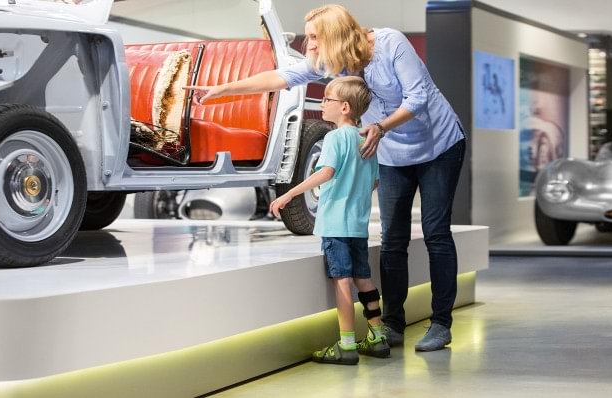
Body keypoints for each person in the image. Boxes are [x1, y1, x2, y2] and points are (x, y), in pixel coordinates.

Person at [186, 4, 466, 352]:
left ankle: (441, 323)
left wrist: (380, 126)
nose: (311, 45)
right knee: (393, 239)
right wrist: (223, 90)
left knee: (436, 231)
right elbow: (280, 77)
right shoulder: (333, 63)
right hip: (392, 151)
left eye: (316, 37)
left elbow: (419, 97)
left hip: (439, 144)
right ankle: (392, 323)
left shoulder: (390, 43)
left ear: (334, 35)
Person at [269, 76, 388, 365]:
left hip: (335, 224)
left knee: (342, 281)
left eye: (327, 99)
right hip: (358, 225)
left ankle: (346, 344)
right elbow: (375, 182)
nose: (321, 104)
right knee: (364, 279)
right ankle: (377, 336)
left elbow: (326, 172)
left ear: (344, 107)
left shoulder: (334, 137)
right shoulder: (365, 139)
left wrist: (288, 195)